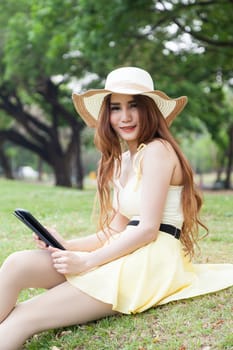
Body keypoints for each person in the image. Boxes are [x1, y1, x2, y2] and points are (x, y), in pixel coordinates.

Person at [0, 67, 233, 349]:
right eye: (116, 107)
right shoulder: (123, 160)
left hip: (150, 261)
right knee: (16, 264)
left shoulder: (158, 151)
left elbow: (147, 229)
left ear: (149, 110)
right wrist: (66, 244)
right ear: (107, 115)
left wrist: (87, 261)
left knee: (22, 317)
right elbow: (115, 229)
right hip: (124, 252)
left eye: (134, 105)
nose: (125, 117)